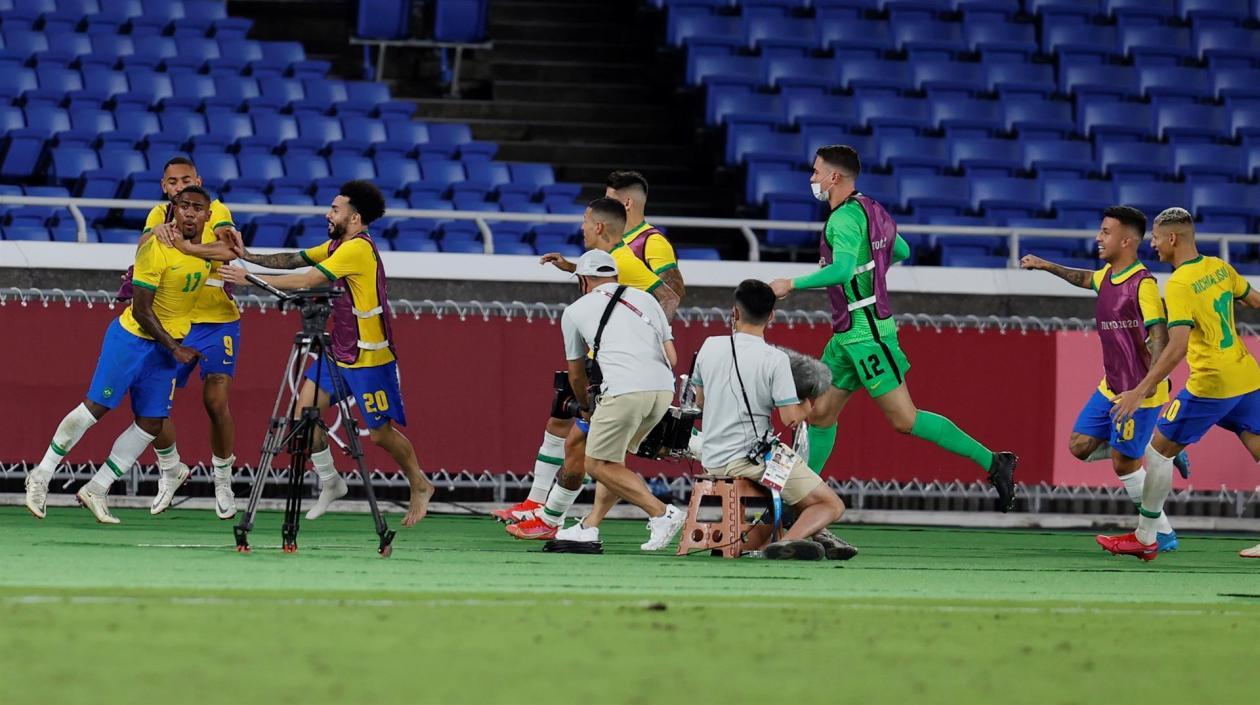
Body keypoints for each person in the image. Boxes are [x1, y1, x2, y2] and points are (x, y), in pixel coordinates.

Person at [769, 145, 1018, 511]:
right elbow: (899, 250)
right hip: (846, 336)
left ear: (834, 177)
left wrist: (791, 284)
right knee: (820, 415)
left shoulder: (841, 220)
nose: (812, 178)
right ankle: (801, 501)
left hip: (867, 335)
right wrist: (871, 274)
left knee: (905, 419)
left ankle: (995, 462)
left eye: (816, 171)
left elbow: (840, 271)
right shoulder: (872, 207)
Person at [218, 180, 435, 528]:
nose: (327, 213)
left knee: (380, 434)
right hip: (338, 351)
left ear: (355, 217)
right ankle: (332, 481)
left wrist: (249, 278)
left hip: (369, 359)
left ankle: (420, 484)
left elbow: (307, 280)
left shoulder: (357, 250)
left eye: (335, 209)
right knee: (304, 414)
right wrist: (246, 255)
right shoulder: (338, 244)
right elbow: (293, 259)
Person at [24, 186, 214, 523]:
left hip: (166, 348)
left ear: (207, 216)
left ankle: (97, 488)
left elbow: (231, 251)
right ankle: (40, 474)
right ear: (174, 210)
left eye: (197, 208)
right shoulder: (157, 247)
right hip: (133, 340)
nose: (189, 213)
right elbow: (141, 310)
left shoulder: (207, 251)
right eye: (183, 206)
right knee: (96, 408)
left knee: (152, 422)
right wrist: (175, 347)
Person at [491, 197, 680, 526]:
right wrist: (569, 267)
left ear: (599, 226)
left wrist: (652, 335)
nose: (581, 226)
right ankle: (543, 508)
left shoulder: (628, 260)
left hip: (615, 369)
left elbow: (671, 294)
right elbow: (598, 276)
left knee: (592, 448)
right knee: (565, 426)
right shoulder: (608, 260)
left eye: (585, 219)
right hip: (610, 362)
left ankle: (551, 516)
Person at [1021, 206, 1186, 552]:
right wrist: (1046, 265)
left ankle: (1161, 534)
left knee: (1123, 464)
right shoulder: (1106, 277)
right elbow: (1084, 278)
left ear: (1126, 240)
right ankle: (1155, 447)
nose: (1099, 237)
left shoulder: (1143, 284)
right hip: (1110, 386)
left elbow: (1159, 336)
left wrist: (1146, 389)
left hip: (1138, 392)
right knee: (1079, 446)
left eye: (1106, 232)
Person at [1102, 208, 1260, 561]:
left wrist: (1140, 391)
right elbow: (1254, 300)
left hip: (1212, 384)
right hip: (1247, 376)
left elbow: (1177, 346)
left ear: (1172, 238)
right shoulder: (1220, 266)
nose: (1153, 245)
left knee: (1158, 453)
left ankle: (1146, 537)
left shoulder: (1179, 284)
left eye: (1156, 238)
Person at [509, 249, 686, 551]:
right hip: (661, 390)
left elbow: (576, 374)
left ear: (583, 280)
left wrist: (587, 408)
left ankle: (662, 513)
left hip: (623, 390)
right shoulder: (646, 299)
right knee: (613, 462)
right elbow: (672, 356)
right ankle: (589, 526)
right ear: (614, 275)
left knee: (596, 464)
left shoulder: (576, 310)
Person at [116, 156, 245, 519]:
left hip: (218, 321)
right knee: (150, 405)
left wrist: (189, 249)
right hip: (174, 324)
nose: (178, 186)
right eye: (172, 182)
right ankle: (171, 469)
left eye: (186, 179)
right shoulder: (159, 215)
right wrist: (152, 235)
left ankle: (223, 481)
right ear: (164, 188)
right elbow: (143, 248)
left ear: (199, 180)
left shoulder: (215, 209)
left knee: (216, 400)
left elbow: (229, 248)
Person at [692, 280, 856, 560]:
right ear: (772, 316)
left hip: (712, 457)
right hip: (753, 460)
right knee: (830, 505)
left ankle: (803, 536)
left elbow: (700, 402)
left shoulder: (709, 346)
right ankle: (784, 543)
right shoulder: (775, 359)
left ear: (734, 312)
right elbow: (791, 419)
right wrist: (806, 399)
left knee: (796, 491)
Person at [606, 170, 686, 301]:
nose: (603, 205)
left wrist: (644, 320)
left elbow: (673, 296)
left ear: (627, 203)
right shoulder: (612, 240)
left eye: (609, 200)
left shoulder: (652, 242)